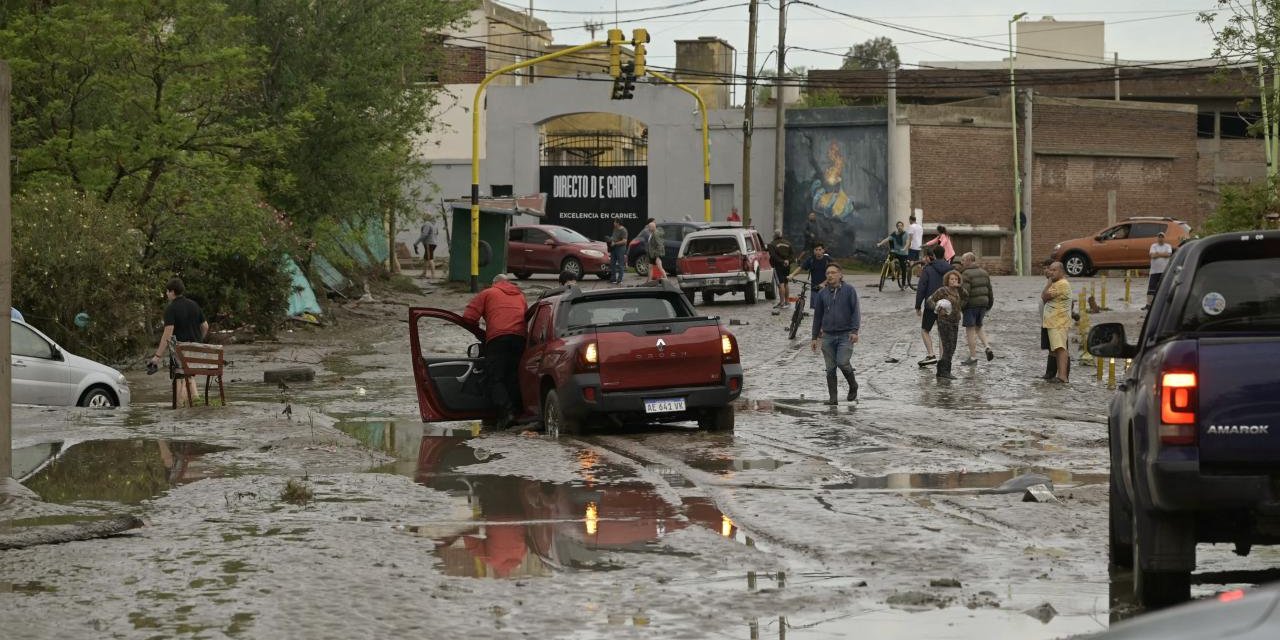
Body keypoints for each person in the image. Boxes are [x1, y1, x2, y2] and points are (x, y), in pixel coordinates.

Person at [462, 274, 529, 427]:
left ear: (494, 283)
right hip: (520, 339)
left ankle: (507, 413)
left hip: (498, 340)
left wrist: (483, 335)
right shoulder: (520, 296)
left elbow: (468, 318)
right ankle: (518, 413)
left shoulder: (488, 293)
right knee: (513, 376)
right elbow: (526, 318)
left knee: (495, 378)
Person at [149, 277, 209, 408]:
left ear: (172, 292)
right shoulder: (194, 305)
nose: (166, 294)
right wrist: (199, 341)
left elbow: (167, 334)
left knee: (181, 376)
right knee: (188, 376)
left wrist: (157, 356)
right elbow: (205, 326)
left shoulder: (171, 309)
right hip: (197, 353)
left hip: (181, 353)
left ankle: (179, 408)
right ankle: (195, 404)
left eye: (167, 291)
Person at [810, 264, 860, 404]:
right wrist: (814, 337)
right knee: (830, 368)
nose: (830, 276)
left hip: (846, 335)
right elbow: (817, 316)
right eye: (827, 273)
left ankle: (853, 385)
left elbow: (855, 311)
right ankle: (833, 398)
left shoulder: (849, 290)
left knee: (842, 362)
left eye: (833, 273)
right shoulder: (822, 294)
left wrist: (855, 331)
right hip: (828, 336)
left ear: (840, 275)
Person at [913, 246, 954, 366]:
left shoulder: (928, 269)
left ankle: (931, 355)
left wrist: (918, 305)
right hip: (946, 306)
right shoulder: (950, 269)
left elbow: (921, 288)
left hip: (931, 305)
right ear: (944, 254)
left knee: (925, 330)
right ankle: (942, 359)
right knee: (943, 333)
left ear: (934, 255)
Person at [927, 270, 964, 381]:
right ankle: (945, 371)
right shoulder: (943, 290)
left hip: (955, 321)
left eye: (956, 279)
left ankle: (941, 369)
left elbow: (966, 296)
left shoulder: (958, 291)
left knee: (952, 346)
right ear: (947, 280)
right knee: (947, 346)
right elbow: (930, 300)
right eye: (951, 279)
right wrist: (937, 309)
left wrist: (960, 287)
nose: (953, 281)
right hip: (944, 322)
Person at [959, 252, 995, 364]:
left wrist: (961, 307)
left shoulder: (966, 274)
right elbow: (990, 290)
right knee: (978, 327)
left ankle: (973, 357)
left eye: (963, 260)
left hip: (971, 305)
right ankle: (987, 346)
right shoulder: (984, 272)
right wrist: (989, 304)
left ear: (969, 260)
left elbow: (965, 293)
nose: (962, 262)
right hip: (983, 304)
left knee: (970, 330)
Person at [1041, 261, 1073, 384]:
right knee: (1056, 349)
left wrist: (1049, 279)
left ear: (1061, 271)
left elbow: (1044, 296)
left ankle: (1063, 376)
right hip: (1054, 321)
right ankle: (1059, 375)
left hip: (1058, 322)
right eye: (1051, 270)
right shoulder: (1058, 283)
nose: (1051, 272)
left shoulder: (1061, 284)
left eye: (1054, 270)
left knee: (1060, 348)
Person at [793, 242, 835, 309]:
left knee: (826, 308)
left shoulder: (828, 260)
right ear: (813, 251)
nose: (818, 251)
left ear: (823, 250)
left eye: (820, 249)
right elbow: (801, 268)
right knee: (816, 309)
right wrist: (792, 275)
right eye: (816, 250)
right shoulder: (811, 259)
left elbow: (834, 274)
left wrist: (824, 283)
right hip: (815, 287)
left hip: (827, 288)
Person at [875, 221, 910, 288]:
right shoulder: (894, 234)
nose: (900, 227)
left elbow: (907, 242)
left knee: (903, 267)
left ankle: (903, 284)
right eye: (898, 226)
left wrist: (905, 248)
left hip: (903, 253)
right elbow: (887, 239)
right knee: (889, 259)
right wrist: (880, 243)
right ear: (897, 227)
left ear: (903, 226)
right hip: (895, 252)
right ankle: (893, 273)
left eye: (901, 226)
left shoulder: (906, 234)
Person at [1145, 232, 1173, 310]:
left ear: (1164, 238)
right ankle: (1148, 304)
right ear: (1157, 238)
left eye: (1162, 237)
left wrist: (1158, 254)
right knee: (1151, 288)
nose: (1161, 238)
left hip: (1165, 271)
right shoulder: (1153, 246)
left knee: (1165, 287)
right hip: (1154, 271)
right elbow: (1152, 255)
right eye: (1159, 237)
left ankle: (1165, 303)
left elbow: (1168, 254)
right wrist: (1162, 254)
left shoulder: (1168, 246)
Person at [767, 230, 795, 308]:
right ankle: (787, 302)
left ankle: (782, 303)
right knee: (786, 283)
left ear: (774, 236)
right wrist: (787, 261)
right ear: (781, 235)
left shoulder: (772, 244)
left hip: (778, 266)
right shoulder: (788, 243)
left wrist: (782, 261)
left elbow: (773, 256)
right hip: (787, 266)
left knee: (781, 284)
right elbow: (792, 255)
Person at [608, 218, 629, 285]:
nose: (613, 223)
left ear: (618, 223)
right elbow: (614, 237)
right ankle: (613, 279)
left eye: (615, 222)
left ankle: (620, 280)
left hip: (620, 249)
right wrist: (610, 239)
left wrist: (615, 243)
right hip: (614, 248)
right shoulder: (615, 229)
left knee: (620, 264)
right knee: (612, 263)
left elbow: (624, 241)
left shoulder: (623, 230)